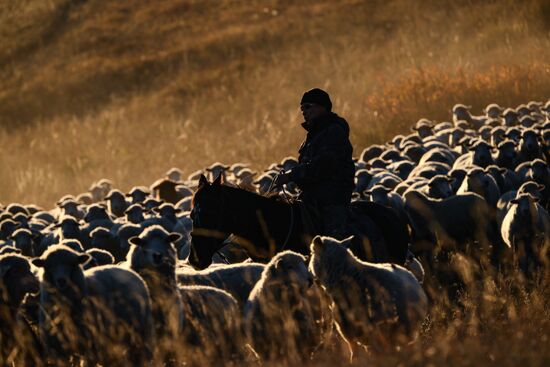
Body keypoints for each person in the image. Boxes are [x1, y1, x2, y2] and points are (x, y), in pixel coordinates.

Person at [274, 88, 355, 238]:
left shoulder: (334, 132)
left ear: (322, 107)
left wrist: (290, 175)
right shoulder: (314, 135)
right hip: (310, 199)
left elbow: (323, 166)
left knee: (332, 245)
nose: (304, 111)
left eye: (308, 106)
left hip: (332, 199)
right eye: (301, 108)